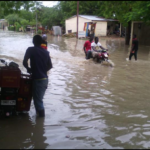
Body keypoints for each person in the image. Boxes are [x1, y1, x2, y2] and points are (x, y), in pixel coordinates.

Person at [23, 35, 53, 117]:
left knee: (38, 102)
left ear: (33, 42)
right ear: (42, 42)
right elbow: (50, 66)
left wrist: (29, 69)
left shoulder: (30, 50)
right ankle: (38, 120)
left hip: (37, 79)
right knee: (38, 100)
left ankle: (41, 124)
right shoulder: (46, 52)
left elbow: (24, 62)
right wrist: (42, 70)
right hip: (45, 80)